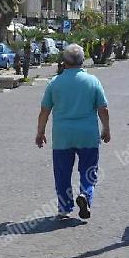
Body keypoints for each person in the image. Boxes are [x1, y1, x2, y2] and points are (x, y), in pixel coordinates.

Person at [35, 44, 111, 221]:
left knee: (62, 173)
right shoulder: (93, 81)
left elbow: (44, 110)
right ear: (83, 61)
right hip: (88, 135)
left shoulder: (55, 83)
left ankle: (64, 208)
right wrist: (106, 129)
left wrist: (40, 132)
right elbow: (103, 108)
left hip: (63, 136)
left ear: (64, 62)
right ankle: (85, 194)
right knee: (89, 171)